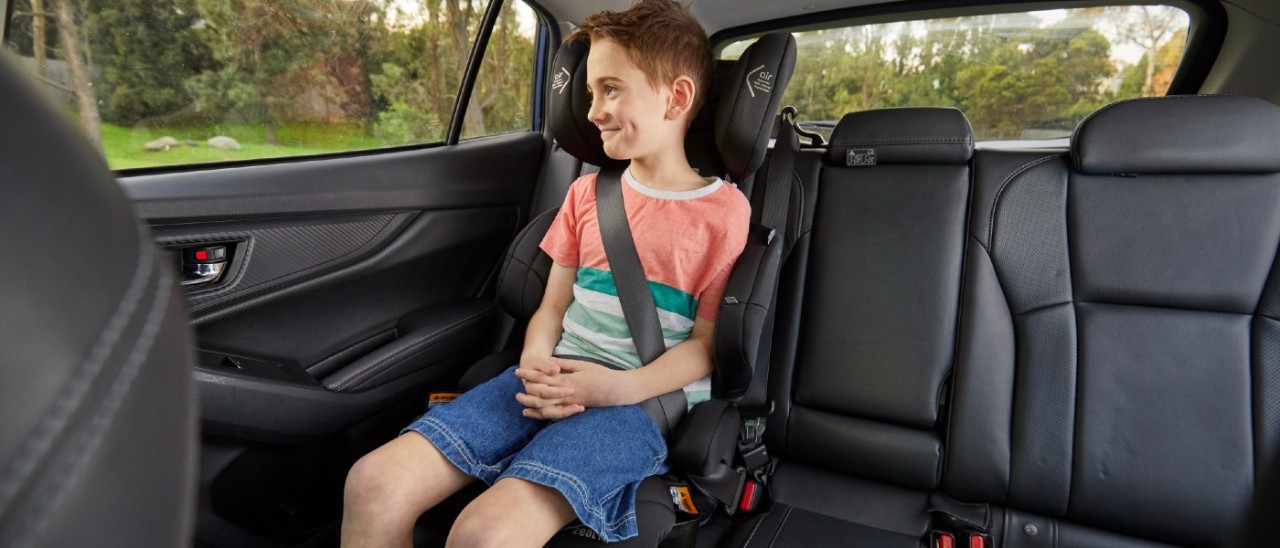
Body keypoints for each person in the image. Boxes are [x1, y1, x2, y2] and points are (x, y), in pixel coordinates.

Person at [341, 1, 749, 545]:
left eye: (610, 89)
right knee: (372, 481)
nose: (594, 110)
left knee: (485, 533)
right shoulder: (586, 195)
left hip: (637, 403)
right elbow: (552, 307)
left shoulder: (723, 212)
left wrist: (618, 388)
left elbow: (704, 344)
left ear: (675, 97)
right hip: (547, 379)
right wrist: (534, 362)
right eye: (588, 95)